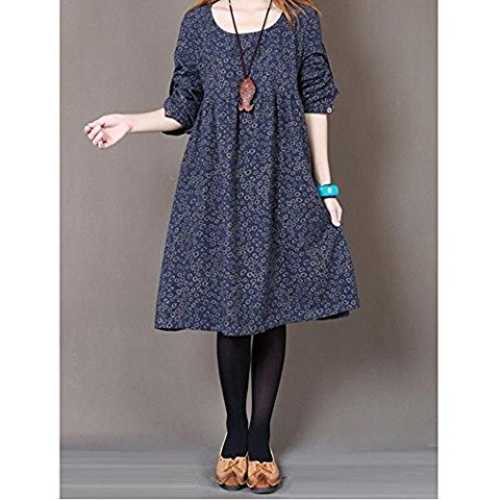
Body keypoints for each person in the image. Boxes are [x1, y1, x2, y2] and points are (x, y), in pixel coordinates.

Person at [84, 0, 359, 493]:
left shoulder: (300, 22)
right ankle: (234, 434)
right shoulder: (198, 24)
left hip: (281, 178)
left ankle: (261, 439)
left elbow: (316, 101)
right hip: (217, 182)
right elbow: (181, 107)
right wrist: (130, 121)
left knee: (272, 306)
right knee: (230, 308)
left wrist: (326, 186)